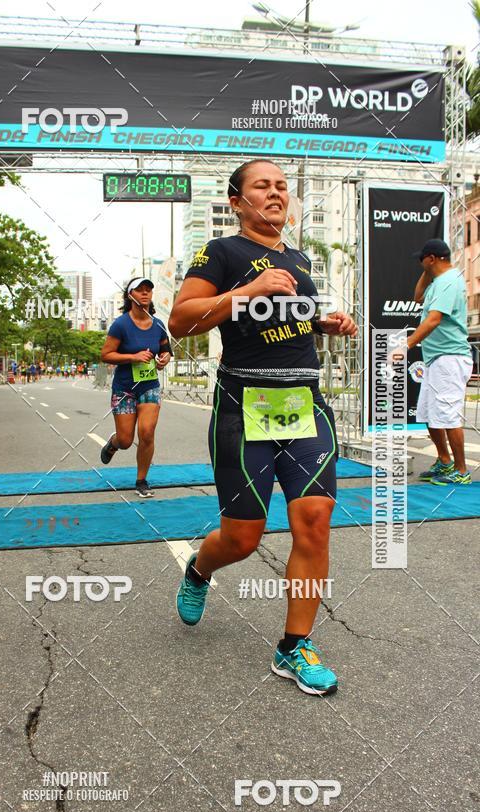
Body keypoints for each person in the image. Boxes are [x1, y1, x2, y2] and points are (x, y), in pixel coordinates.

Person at [168, 159, 357, 697]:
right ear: (237, 201)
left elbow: (289, 318)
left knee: (314, 522)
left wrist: (325, 322)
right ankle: (200, 569)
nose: (275, 194)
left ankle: (294, 645)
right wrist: (244, 292)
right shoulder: (221, 253)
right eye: (262, 187)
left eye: (281, 187)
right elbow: (181, 321)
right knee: (243, 538)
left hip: (304, 401)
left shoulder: (298, 258)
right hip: (242, 403)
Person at [394, 238, 473, 485]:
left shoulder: (449, 281)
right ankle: (445, 461)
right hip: (436, 358)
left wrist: (405, 345)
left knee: (448, 416)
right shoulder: (438, 281)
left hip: (450, 358)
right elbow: (418, 297)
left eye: (423, 260)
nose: (420, 263)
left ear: (431, 258)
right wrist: (427, 272)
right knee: (428, 413)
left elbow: (433, 320)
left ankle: (461, 471)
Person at [100, 277, 172, 498]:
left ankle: (141, 480)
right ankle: (113, 443)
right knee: (126, 440)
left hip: (149, 385)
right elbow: (106, 355)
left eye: (148, 290)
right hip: (124, 388)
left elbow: (165, 350)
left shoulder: (158, 324)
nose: (145, 293)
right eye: (139, 290)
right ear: (130, 295)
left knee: (147, 432)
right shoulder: (121, 324)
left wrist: (164, 359)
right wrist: (133, 357)